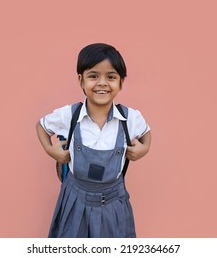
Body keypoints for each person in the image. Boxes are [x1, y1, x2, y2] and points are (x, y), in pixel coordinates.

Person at [36, 43, 151, 238]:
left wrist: (144, 148)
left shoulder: (130, 118)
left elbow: (146, 134)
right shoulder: (68, 116)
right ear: (81, 80)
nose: (102, 83)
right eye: (93, 76)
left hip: (114, 203)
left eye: (111, 77)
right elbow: (41, 126)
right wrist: (50, 150)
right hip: (75, 200)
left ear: (121, 82)